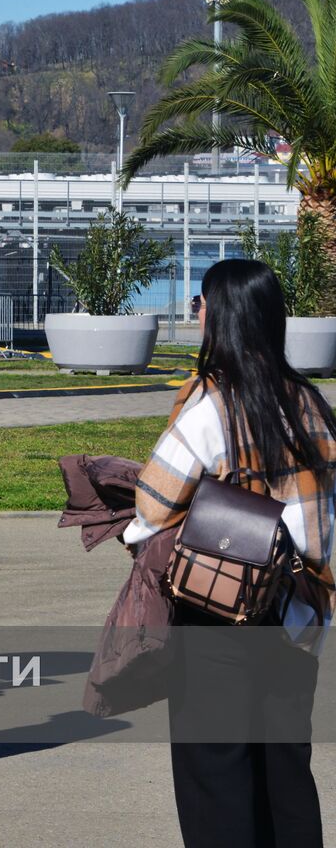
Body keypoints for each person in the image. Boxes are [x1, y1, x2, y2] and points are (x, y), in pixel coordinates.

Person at [122, 259, 334, 847]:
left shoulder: (212, 406)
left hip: (216, 621)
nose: (197, 313)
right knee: (285, 778)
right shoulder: (311, 404)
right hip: (296, 620)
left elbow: (153, 506)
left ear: (220, 316)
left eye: (201, 304)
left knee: (215, 780)